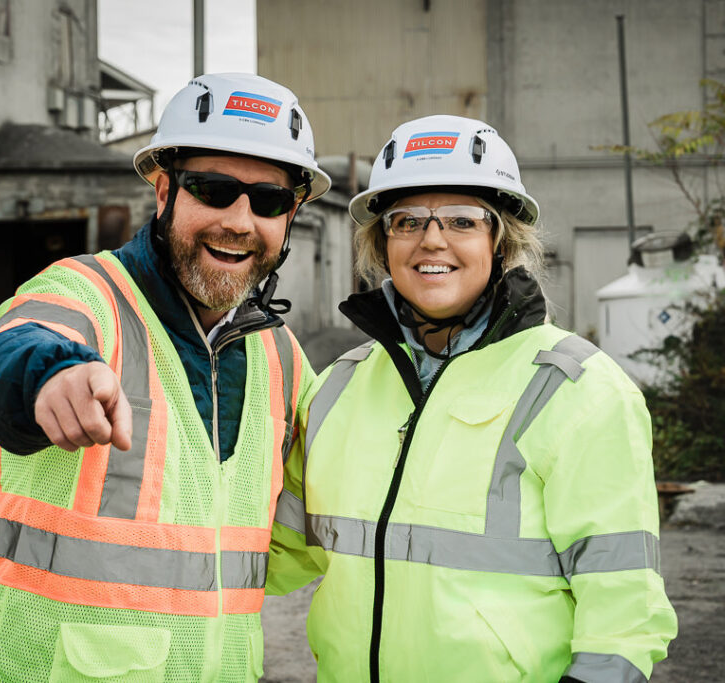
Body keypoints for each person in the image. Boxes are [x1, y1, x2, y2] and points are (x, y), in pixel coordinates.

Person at [268, 115, 677, 682]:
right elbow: (269, 554)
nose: (431, 239)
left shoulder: (577, 388)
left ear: (500, 239)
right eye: (407, 220)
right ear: (383, 244)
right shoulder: (340, 385)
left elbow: (624, 612)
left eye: (462, 220)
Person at [0, 73, 330, 682]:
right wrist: (51, 376)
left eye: (268, 200)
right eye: (213, 189)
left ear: (291, 215)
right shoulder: (86, 294)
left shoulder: (280, 356)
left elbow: (292, 539)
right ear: (163, 191)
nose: (239, 220)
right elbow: (6, 354)